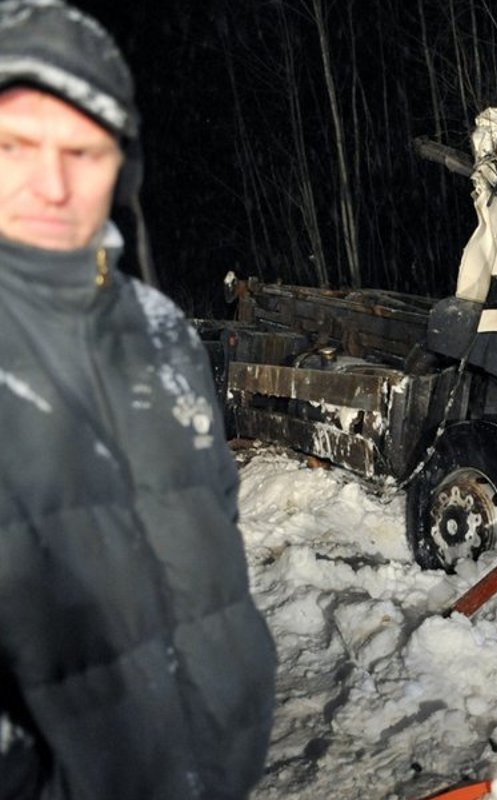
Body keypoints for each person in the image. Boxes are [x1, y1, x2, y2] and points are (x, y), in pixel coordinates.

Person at [0, 2, 276, 798]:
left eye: (82, 152)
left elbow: (210, 524)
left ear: (122, 169)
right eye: (18, 144)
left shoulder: (163, 333)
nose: (53, 185)